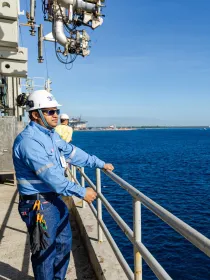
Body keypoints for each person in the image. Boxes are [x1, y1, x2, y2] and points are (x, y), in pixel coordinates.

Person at [13, 89, 114, 280]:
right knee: (45, 252)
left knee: (64, 243)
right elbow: (52, 177)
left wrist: (99, 163)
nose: (56, 115)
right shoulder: (29, 141)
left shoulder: (50, 135)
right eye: (50, 111)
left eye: (56, 111)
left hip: (53, 199)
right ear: (36, 114)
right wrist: (81, 191)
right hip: (38, 204)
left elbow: (72, 152)